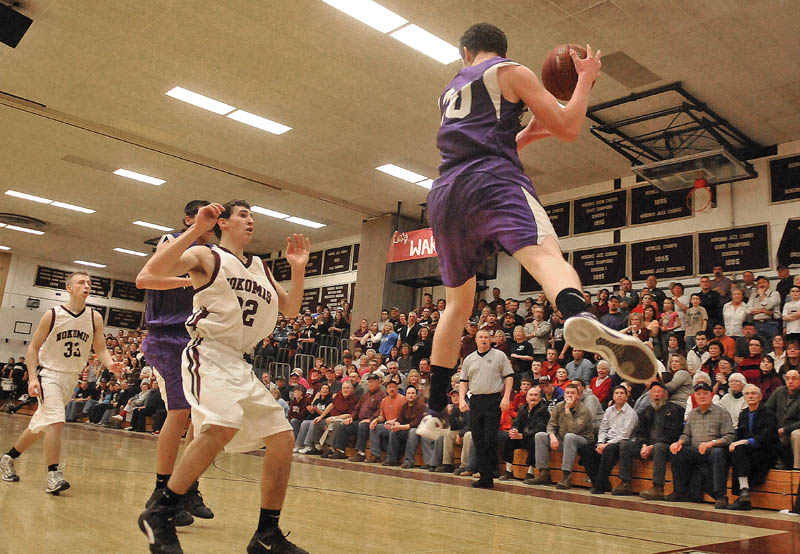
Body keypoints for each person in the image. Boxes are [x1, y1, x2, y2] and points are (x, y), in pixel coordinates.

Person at [418, 23, 656, 441]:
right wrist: (584, 80)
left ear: (464, 52)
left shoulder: (450, 90)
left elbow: (483, 142)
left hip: (444, 194)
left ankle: (434, 409)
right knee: (546, 257)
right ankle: (580, 315)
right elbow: (567, 127)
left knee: (457, 306)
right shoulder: (511, 71)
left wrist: (523, 135)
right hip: (492, 182)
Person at [135, 201, 310, 553]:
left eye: (252, 216)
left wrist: (298, 269)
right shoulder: (205, 254)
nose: (251, 221)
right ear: (224, 223)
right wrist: (195, 230)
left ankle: (267, 535)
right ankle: (160, 511)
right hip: (208, 353)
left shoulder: (260, 266)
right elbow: (150, 273)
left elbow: (290, 309)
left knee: (282, 437)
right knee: (223, 423)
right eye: (243, 215)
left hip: (240, 363)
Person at [1, 272, 119, 493]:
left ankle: (8, 458)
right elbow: (33, 348)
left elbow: (100, 348)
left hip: (71, 377)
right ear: (69, 288)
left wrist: (111, 364)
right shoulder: (53, 315)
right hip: (50, 375)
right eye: (81, 282)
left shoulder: (95, 317)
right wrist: (33, 378)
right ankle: (53, 475)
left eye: (89, 283)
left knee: (40, 425)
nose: (87, 286)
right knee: (56, 421)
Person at [135, 199, 215, 522]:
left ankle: (186, 488)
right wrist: (190, 280)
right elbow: (144, 280)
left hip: (196, 338)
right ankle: (160, 490)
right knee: (180, 411)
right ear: (188, 219)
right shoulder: (171, 241)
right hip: (166, 336)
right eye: (205, 217)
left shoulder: (211, 255)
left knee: (200, 418)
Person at [456, 328, 513, 488]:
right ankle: (484, 475)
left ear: (491, 339)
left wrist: (506, 397)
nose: (483, 339)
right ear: (476, 340)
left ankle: (491, 471)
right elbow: (463, 381)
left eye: (487, 337)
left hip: (493, 399)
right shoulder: (469, 359)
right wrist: (461, 399)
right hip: (475, 400)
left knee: (490, 438)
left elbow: (508, 377)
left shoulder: (499, 356)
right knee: (478, 438)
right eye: (480, 337)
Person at [668, 383, 735, 508]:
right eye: (698, 394)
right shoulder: (692, 414)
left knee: (717, 453)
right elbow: (686, 435)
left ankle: (720, 495)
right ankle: (680, 491)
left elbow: (729, 436)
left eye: (705, 393)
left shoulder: (722, 412)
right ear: (694, 397)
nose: (702, 396)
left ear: (711, 395)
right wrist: (679, 442)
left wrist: (712, 443)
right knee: (677, 451)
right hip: (696, 450)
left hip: (714, 450)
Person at [531, 383, 594, 488]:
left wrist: (568, 410)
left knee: (569, 436)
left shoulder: (584, 410)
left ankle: (566, 476)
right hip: (562, 438)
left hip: (582, 440)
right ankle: (543, 473)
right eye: (567, 393)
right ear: (564, 395)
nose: (569, 395)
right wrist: (552, 437)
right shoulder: (559, 406)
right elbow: (551, 424)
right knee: (540, 436)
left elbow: (574, 430)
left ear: (578, 395)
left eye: (573, 393)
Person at [727, 384, 780, 510]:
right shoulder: (743, 414)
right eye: (747, 394)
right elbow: (739, 435)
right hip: (747, 451)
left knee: (741, 453)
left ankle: (743, 494)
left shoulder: (768, 414)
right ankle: (743, 492)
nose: (750, 396)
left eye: (754, 393)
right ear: (744, 398)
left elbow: (767, 436)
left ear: (760, 397)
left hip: (766, 450)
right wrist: (735, 443)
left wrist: (746, 442)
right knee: (736, 452)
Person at [585, 385, 639, 494]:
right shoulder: (609, 410)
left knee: (609, 450)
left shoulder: (631, 413)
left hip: (622, 443)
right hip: (607, 440)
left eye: (622, 393)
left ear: (626, 397)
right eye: (617, 393)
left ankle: (599, 485)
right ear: (613, 396)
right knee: (586, 449)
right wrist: (600, 442)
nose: (619, 395)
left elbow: (624, 435)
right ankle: (600, 482)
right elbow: (603, 428)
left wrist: (605, 445)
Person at [764, 369, 800, 469]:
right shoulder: (779, 391)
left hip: (793, 430)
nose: (790, 381)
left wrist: (785, 430)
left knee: (795, 435)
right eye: (787, 379)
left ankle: (796, 469)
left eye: (794, 378)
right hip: (778, 429)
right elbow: (766, 410)